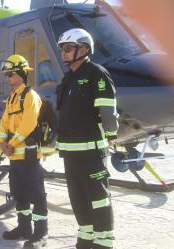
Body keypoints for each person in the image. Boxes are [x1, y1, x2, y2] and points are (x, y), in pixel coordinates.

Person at [56, 28, 118, 249]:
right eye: (63, 48)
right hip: (70, 152)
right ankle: (86, 236)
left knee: (98, 196)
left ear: (83, 49)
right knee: (77, 196)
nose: (64, 52)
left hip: (91, 150)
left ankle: (104, 240)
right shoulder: (68, 78)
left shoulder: (97, 73)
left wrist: (111, 134)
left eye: (68, 48)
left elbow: (107, 110)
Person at [0, 54, 48, 248]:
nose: (8, 78)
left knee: (36, 194)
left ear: (21, 73)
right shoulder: (12, 98)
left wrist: (12, 143)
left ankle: (41, 232)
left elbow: (28, 124)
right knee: (19, 193)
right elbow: (4, 122)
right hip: (14, 155)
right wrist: (2, 142)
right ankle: (24, 227)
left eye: (10, 74)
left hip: (27, 153)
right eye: (7, 75)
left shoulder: (30, 96)